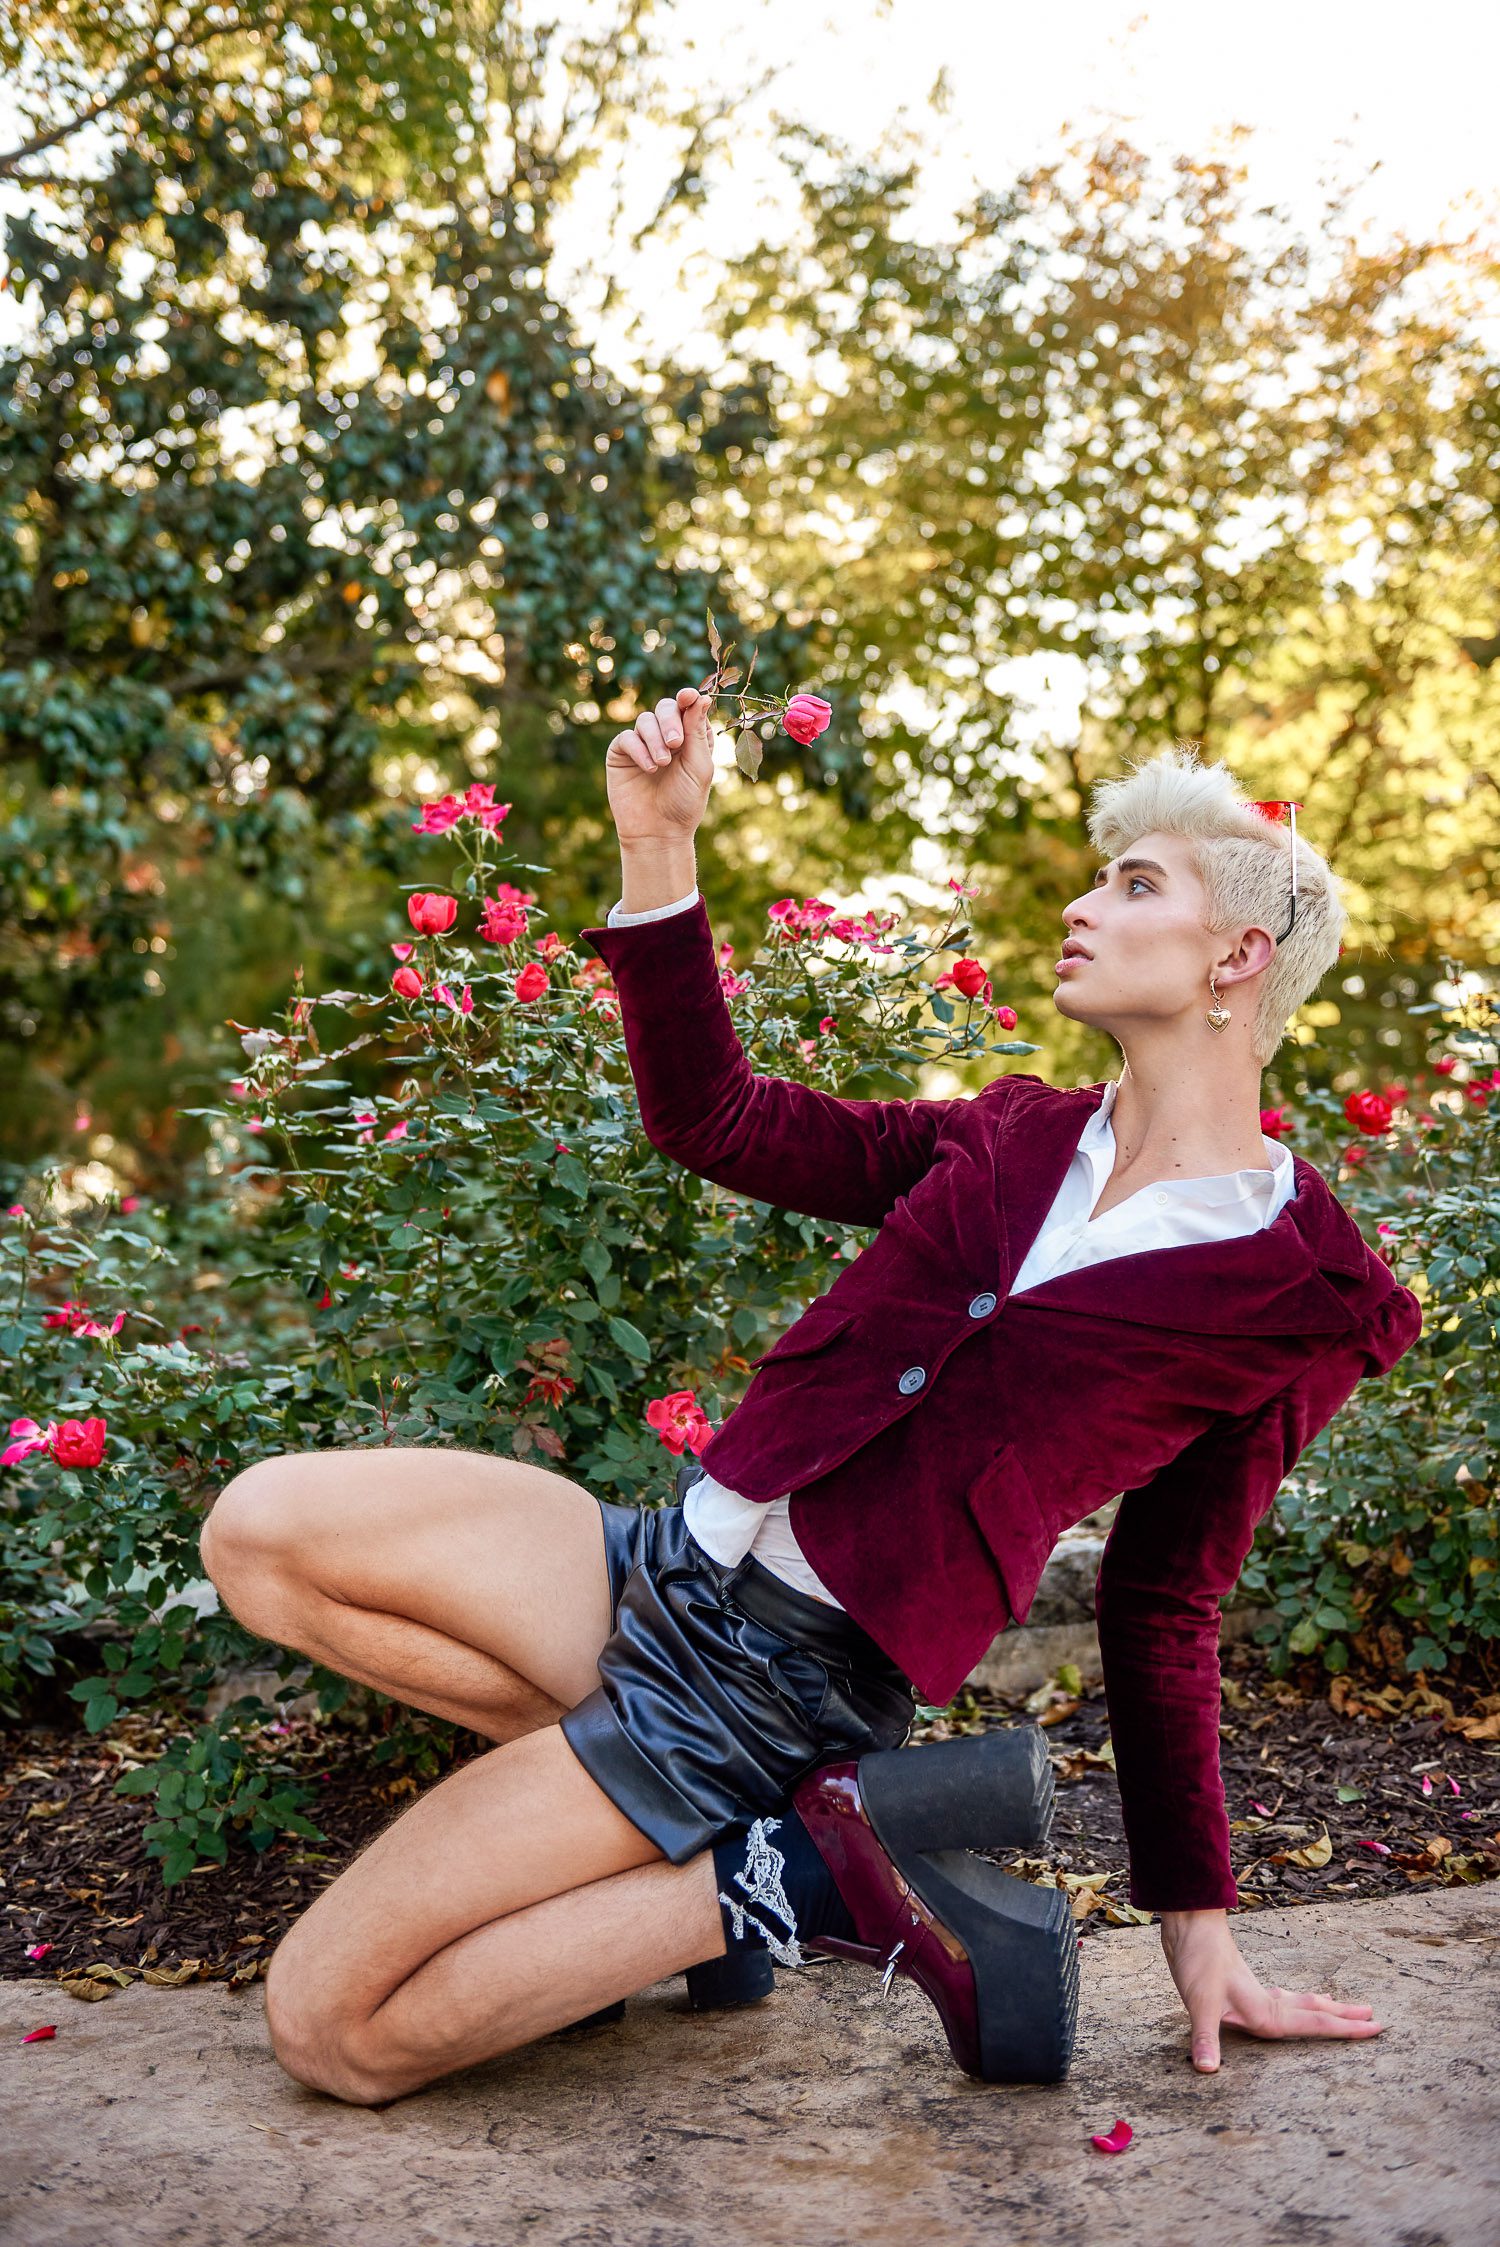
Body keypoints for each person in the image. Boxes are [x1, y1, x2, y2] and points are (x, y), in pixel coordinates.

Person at [201, 687, 1421, 2107]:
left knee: (329, 2033)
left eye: (1134, 883)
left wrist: (1198, 1938)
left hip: (780, 1680)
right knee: (262, 1537)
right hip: (669, 1565)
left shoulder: (1305, 1290)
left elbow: (1165, 1599)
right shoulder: (1013, 1131)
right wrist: (660, 846)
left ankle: (791, 1873)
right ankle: (731, 1855)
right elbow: (713, 1117)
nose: (1086, 903)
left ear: (1239, 956)